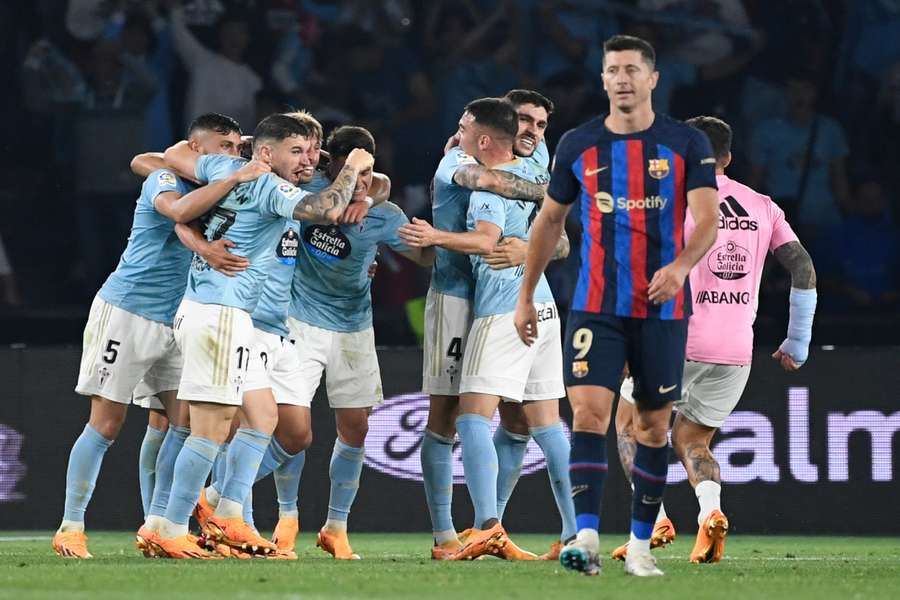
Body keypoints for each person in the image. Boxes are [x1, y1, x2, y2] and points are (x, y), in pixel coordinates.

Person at [513, 34, 719, 577]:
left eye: (631, 69)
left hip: (662, 309)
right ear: (603, 80)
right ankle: (584, 537)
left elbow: (709, 220)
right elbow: (549, 222)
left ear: (653, 78)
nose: (622, 78)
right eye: (612, 70)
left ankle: (641, 546)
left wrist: (678, 269)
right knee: (588, 413)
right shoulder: (579, 144)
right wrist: (526, 294)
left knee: (652, 429)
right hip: (596, 304)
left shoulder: (685, 143)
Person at [138, 114, 372, 559]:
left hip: (225, 315)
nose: (307, 161)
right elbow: (325, 209)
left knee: (263, 416)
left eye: (311, 152)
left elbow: (177, 156)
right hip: (219, 314)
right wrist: (354, 165)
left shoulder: (226, 168)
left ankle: (225, 513)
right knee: (207, 432)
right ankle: (167, 525)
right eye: (296, 152)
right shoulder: (267, 186)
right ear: (266, 153)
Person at [52, 114, 264, 560]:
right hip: (127, 310)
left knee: (182, 424)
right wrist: (232, 181)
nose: (231, 154)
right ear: (195, 147)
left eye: (234, 146)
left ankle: (161, 525)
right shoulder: (165, 178)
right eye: (221, 146)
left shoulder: (224, 183)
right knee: (106, 423)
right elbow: (177, 209)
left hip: (179, 317)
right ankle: (71, 526)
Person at [610, 116, 817, 564]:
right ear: (728, 157)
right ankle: (711, 513)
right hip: (734, 350)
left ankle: (655, 520)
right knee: (693, 441)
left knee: (629, 427)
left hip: (674, 340)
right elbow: (803, 269)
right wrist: (797, 341)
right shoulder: (763, 205)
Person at [400, 97, 569, 561]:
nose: (534, 131)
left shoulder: (534, 161)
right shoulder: (459, 159)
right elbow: (492, 181)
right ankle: (445, 535)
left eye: (541, 124)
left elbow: (563, 242)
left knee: (517, 420)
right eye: (526, 122)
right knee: (448, 416)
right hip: (456, 296)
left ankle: (489, 525)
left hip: (505, 299)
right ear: (502, 128)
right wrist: (557, 194)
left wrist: (528, 248)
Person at [282, 125, 434, 559]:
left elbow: (421, 255)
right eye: (356, 172)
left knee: (357, 427)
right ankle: (286, 518)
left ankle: (336, 526)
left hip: (353, 327)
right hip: (300, 322)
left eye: (370, 174)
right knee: (293, 430)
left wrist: (445, 243)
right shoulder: (308, 190)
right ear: (334, 166)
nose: (364, 182)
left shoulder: (383, 213)